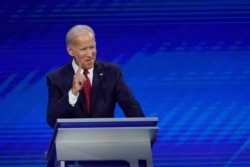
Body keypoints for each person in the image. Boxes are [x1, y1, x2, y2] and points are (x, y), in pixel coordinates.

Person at [46, 24, 144, 128]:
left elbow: (130, 106)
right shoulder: (57, 79)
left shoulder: (111, 72)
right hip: (74, 141)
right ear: (70, 51)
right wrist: (73, 93)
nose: (90, 54)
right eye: (83, 49)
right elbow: (53, 120)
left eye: (92, 47)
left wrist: (144, 132)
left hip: (105, 140)